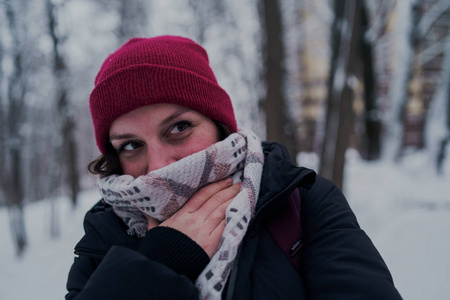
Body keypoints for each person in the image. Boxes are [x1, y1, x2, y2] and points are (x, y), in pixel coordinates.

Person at [66, 35, 402, 300]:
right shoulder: (102, 242)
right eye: (130, 145)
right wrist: (157, 264)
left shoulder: (302, 203)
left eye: (179, 128)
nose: (157, 167)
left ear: (219, 126)